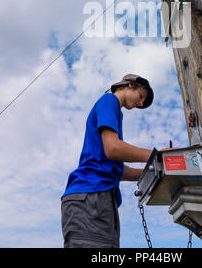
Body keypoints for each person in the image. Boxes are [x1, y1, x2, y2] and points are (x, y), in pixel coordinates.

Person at [61, 74, 155, 248]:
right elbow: (113, 148)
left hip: (98, 197)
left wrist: (155, 169)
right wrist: (156, 156)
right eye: (141, 96)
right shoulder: (109, 100)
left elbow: (118, 169)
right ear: (130, 85)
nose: (140, 104)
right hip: (91, 195)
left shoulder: (115, 111)